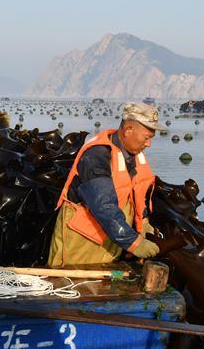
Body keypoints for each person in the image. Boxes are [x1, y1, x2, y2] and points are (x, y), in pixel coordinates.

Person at [47, 102, 165, 267]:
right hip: (80, 242)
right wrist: (135, 243)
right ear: (128, 130)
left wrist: (144, 223)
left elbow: (137, 195)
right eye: (146, 138)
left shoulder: (134, 155)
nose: (148, 144)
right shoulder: (96, 156)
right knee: (72, 287)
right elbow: (103, 206)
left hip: (111, 239)